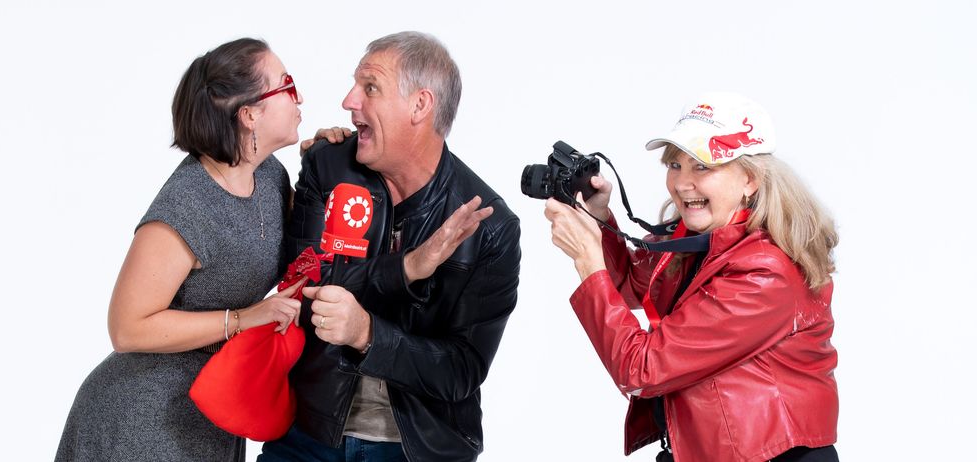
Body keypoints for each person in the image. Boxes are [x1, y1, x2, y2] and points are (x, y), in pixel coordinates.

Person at [258, 32, 521, 462]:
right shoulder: (328, 165)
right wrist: (406, 268)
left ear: (420, 105)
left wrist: (367, 334)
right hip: (309, 434)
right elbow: (300, 283)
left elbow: (461, 371)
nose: (349, 101)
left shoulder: (490, 228)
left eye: (371, 87)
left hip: (416, 448)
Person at [543, 93, 840, 462]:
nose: (682, 184)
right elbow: (630, 288)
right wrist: (601, 220)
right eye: (675, 164)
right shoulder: (705, 239)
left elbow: (641, 370)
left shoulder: (765, 272)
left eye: (702, 166)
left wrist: (588, 259)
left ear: (750, 179)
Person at [55, 38, 306, 462]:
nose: (300, 98)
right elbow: (127, 328)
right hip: (143, 418)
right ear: (250, 114)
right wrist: (242, 319)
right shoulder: (186, 205)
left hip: (211, 407)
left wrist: (330, 163)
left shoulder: (269, 176)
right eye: (288, 85)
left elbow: (313, 249)